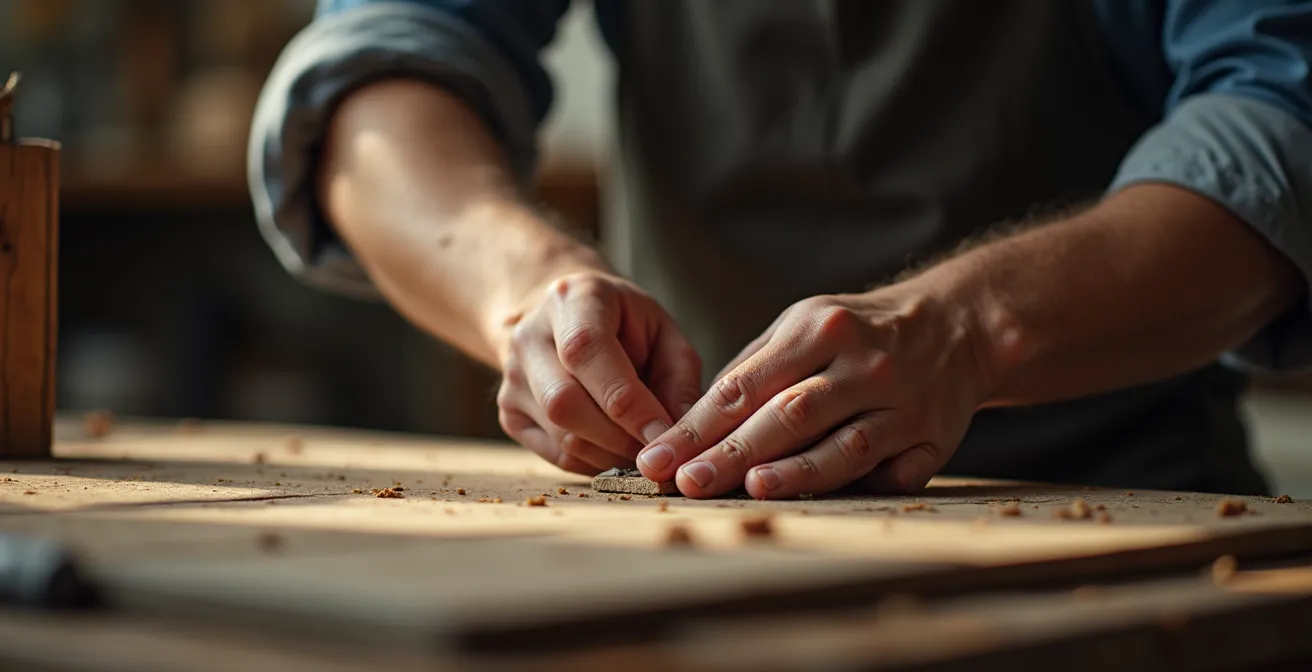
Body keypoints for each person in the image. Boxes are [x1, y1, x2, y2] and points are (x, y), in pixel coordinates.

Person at [249, 0, 1312, 500]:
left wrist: (968, 329)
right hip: (690, 513)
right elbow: (382, 63)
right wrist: (526, 291)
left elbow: (1281, 113)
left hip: (1124, 519)